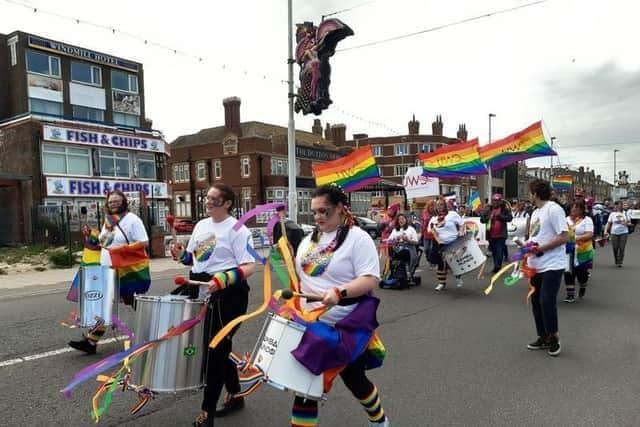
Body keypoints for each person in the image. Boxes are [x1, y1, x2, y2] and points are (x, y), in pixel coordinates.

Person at [292, 184, 389, 426]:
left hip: (345, 325)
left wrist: (339, 292)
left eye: (324, 211)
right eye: (314, 211)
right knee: (306, 386)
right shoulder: (308, 241)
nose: (317, 217)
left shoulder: (358, 238)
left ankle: (379, 421)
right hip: (312, 325)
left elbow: (370, 279)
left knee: (355, 379)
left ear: (340, 209)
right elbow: (302, 278)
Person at [170, 184, 258, 427]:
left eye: (213, 198)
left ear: (227, 202)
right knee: (216, 349)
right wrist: (179, 255)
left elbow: (250, 266)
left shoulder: (238, 229)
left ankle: (206, 412)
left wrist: (224, 279)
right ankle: (236, 394)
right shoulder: (201, 225)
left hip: (228, 295)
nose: (207, 202)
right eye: (206, 198)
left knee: (215, 351)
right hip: (199, 289)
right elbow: (193, 259)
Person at [68, 190, 149, 354]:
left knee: (135, 302)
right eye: (111, 202)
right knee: (102, 305)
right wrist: (92, 235)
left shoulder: (133, 220)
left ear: (124, 202)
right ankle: (91, 342)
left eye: (117, 201)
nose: (113, 204)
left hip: (126, 271)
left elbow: (144, 242)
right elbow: (105, 243)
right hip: (106, 270)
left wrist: (123, 249)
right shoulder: (109, 222)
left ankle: (154, 329)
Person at [525, 179, 568, 357]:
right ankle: (542, 336)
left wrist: (540, 249)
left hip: (552, 264)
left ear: (535, 193)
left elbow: (564, 236)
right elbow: (535, 236)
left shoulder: (554, 209)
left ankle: (554, 337)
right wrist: (525, 248)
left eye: (530, 192)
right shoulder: (535, 212)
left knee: (546, 301)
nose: (529, 196)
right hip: (535, 265)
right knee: (536, 302)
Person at [429, 199, 465, 291]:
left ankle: (458, 277)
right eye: (437, 205)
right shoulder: (433, 218)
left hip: (452, 242)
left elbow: (461, 224)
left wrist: (461, 232)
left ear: (445, 205)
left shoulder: (452, 214)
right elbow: (429, 230)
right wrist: (436, 228)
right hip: (440, 244)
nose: (439, 206)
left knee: (453, 263)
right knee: (440, 264)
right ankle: (441, 283)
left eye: (441, 204)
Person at [564, 201, 594, 302]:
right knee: (568, 271)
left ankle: (583, 285)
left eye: (576, 208)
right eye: (572, 207)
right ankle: (570, 295)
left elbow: (589, 234)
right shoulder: (565, 220)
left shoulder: (586, 220)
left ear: (581, 210)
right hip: (568, 250)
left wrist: (575, 238)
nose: (574, 210)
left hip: (583, 251)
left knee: (582, 274)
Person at [480, 194, 513, 274]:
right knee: (494, 251)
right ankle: (496, 266)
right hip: (491, 234)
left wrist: (500, 217)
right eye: (494, 200)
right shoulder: (488, 209)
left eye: (497, 200)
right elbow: (482, 219)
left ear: (500, 201)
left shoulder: (504, 209)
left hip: (501, 234)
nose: (495, 202)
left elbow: (509, 218)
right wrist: (488, 218)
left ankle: (498, 266)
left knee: (499, 250)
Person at [604, 201, 631, 267]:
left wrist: (626, 223)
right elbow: (609, 223)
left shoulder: (626, 214)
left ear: (622, 206)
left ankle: (620, 262)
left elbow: (629, 223)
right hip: (614, 233)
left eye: (619, 205)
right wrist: (605, 231)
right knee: (615, 248)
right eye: (617, 205)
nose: (618, 206)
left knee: (622, 248)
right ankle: (616, 259)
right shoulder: (612, 214)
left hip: (624, 233)